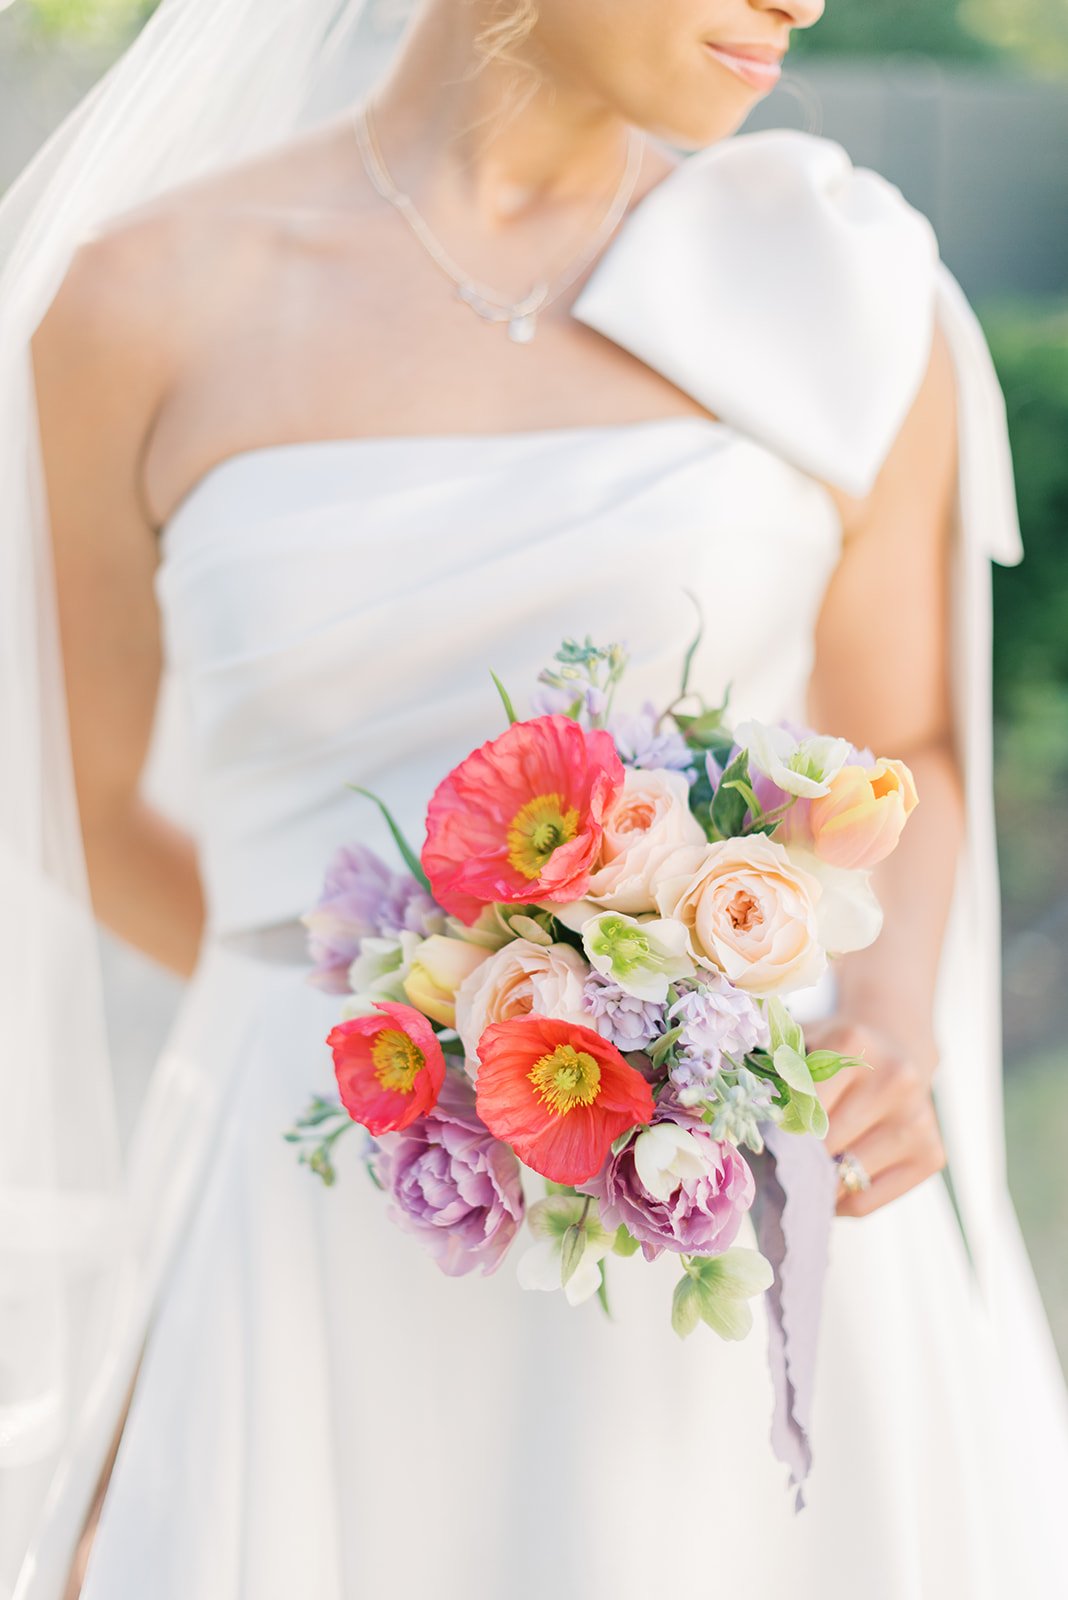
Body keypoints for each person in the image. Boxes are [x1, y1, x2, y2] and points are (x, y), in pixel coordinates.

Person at [3, 0, 1067, 1596]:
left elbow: (900, 743)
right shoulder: (139, 300)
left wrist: (885, 1027)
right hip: (321, 1226)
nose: (805, 0)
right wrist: (396, 1033)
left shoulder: (846, 289)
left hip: (730, 1216)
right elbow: (68, 795)